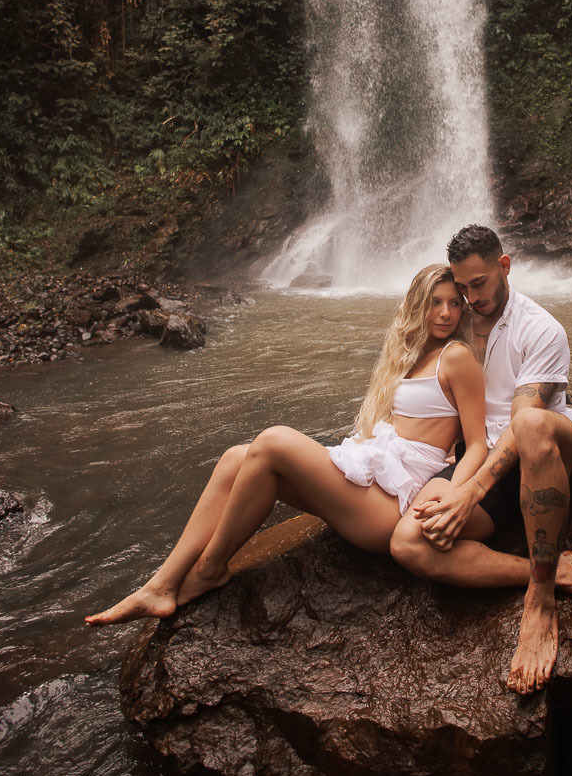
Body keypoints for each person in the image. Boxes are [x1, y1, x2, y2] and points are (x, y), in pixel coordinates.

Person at [85, 264, 487, 626]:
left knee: (274, 441)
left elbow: (477, 443)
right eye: (435, 303)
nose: (446, 313)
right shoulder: (418, 354)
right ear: (418, 304)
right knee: (234, 460)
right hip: (376, 482)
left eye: (454, 303)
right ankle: (161, 584)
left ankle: (209, 569)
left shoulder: (456, 357)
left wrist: (454, 496)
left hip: (392, 507)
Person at [390, 225, 572, 695]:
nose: (468, 298)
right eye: (461, 288)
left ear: (505, 266)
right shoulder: (453, 321)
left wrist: (469, 492)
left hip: (547, 450)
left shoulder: (540, 327)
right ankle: (557, 571)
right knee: (409, 544)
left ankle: (539, 603)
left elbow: (526, 419)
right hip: (484, 457)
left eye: (477, 284)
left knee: (531, 424)